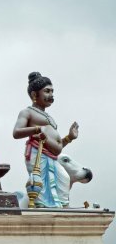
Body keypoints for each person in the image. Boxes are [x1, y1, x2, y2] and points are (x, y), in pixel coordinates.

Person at [13, 72, 79, 208]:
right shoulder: (27, 112)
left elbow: (56, 147)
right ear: (34, 95)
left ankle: (58, 207)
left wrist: (69, 138)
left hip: (51, 157)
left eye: (52, 91)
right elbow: (16, 132)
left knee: (65, 179)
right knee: (41, 185)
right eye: (47, 91)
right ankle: (42, 207)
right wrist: (36, 130)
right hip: (37, 155)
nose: (51, 95)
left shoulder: (49, 117)